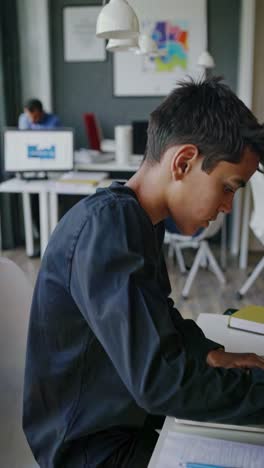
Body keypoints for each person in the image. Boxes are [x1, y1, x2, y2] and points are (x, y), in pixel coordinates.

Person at [23, 77, 264, 468]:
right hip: (89, 450)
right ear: (183, 162)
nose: (227, 207)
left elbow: (159, 311)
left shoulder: (137, 220)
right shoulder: (108, 227)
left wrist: (210, 353)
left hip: (120, 420)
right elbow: (161, 383)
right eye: (228, 188)